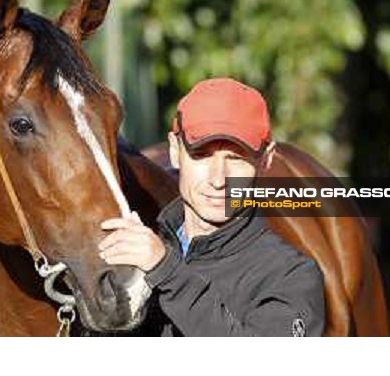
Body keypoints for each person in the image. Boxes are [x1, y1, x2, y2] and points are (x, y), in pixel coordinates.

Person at [99, 78, 326, 336]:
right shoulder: (139, 257)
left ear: (265, 160)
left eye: (236, 159)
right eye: (202, 155)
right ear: (175, 151)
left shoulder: (292, 276)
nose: (219, 180)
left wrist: (166, 271)